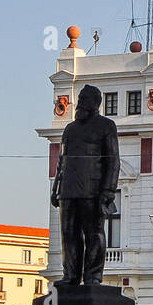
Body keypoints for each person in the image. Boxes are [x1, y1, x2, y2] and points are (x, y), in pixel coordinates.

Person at [50, 84, 120, 286]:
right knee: (69, 234)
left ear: (95, 103)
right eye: (79, 98)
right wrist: (56, 189)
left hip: (93, 191)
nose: (80, 103)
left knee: (94, 234)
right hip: (68, 191)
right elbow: (61, 161)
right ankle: (70, 275)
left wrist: (108, 191)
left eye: (84, 99)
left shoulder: (106, 126)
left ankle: (93, 276)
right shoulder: (70, 129)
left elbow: (113, 161)